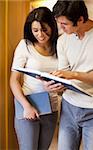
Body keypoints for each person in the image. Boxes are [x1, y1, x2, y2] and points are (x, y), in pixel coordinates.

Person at [10, 7, 63, 150]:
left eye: (45, 29)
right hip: (28, 104)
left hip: (51, 107)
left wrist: (60, 88)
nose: (40, 34)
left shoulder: (60, 46)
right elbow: (14, 80)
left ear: (52, 26)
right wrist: (27, 106)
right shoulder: (25, 45)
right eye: (35, 30)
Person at [50, 0, 93, 150]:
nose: (61, 28)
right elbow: (64, 75)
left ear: (80, 20)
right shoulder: (63, 40)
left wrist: (74, 75)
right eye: (59, 23)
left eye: (64, 24)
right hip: (69, 108)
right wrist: (54, 84)